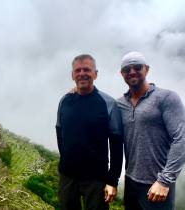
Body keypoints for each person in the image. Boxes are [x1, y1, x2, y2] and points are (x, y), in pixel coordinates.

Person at [117, 51, 185, 210]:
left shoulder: (166, 98)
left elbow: (181, 138)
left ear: (146, 69)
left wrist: (165, 181)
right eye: (127, 69)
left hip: (157, 186)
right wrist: (77, 91)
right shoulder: (119, 104)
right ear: (122, 74)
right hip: (131, 182)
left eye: (137, 67)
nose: (132, 71)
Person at [56, 54, 123, 210]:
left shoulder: (108, 103)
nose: (82, 73)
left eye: (86, 69)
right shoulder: (64, 101)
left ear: (95, 74)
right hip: (67, 177)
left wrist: (112, 180)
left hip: (96, 179)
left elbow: (116, 144)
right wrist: (66, 160)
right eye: (77, 70)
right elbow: (60, 133)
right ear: (72, 75)